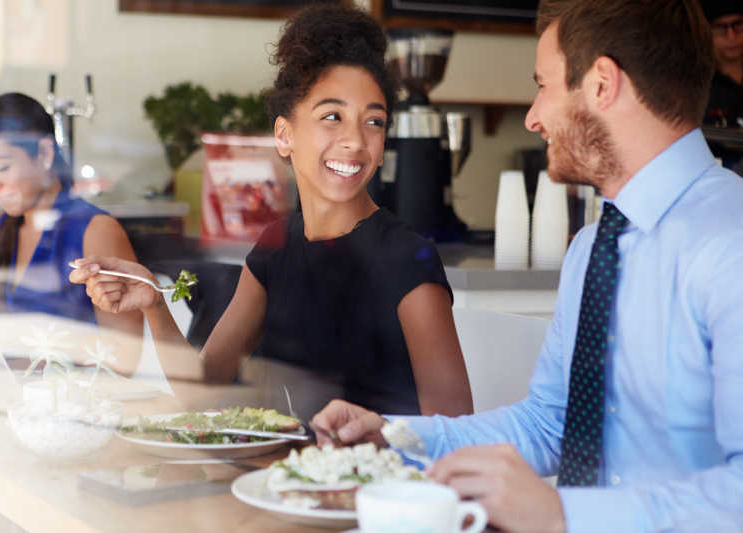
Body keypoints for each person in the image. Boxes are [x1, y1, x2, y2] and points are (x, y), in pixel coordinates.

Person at [311, 0, 743, 531]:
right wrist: (394, 437)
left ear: (602, 84)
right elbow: (550, 423)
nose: (533, 116)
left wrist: (563, 514)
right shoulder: (592, 247)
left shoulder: (730, 243)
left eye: (544, 85)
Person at [70, 5, 473, 416]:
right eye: (332, 116)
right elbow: (201, 389)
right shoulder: (275, 249)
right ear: (284, 135)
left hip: (377, 477)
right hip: (282, 476)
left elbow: (455, 431)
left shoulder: (407, 258)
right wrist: (154, 303)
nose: (355, 140)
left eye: (373, 121)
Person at [0, 93, 143, 370]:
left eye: (2, 167)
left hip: (75, 404)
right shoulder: (1, 226)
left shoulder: (96, 230)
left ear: (45, 154)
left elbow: (124, 361)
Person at [701, 0, 743, 129]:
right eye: (721, 28)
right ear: (708, 31)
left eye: (738, 25)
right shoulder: (697, 84)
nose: (731, 36)